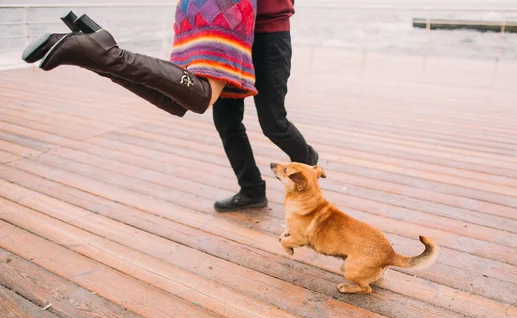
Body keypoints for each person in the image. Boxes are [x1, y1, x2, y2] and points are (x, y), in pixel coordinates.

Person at [22, 0, 259, 117]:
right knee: (201, 96)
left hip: (196, 6)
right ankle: (100, 52)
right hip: (225, 8)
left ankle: (91, 53)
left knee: (175, 100)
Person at [212, 0, 319, 212]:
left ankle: (307, 162)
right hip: (227, 35)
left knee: (273, 123)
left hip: (268, 35)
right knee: (226, 120)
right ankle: (251, 190)